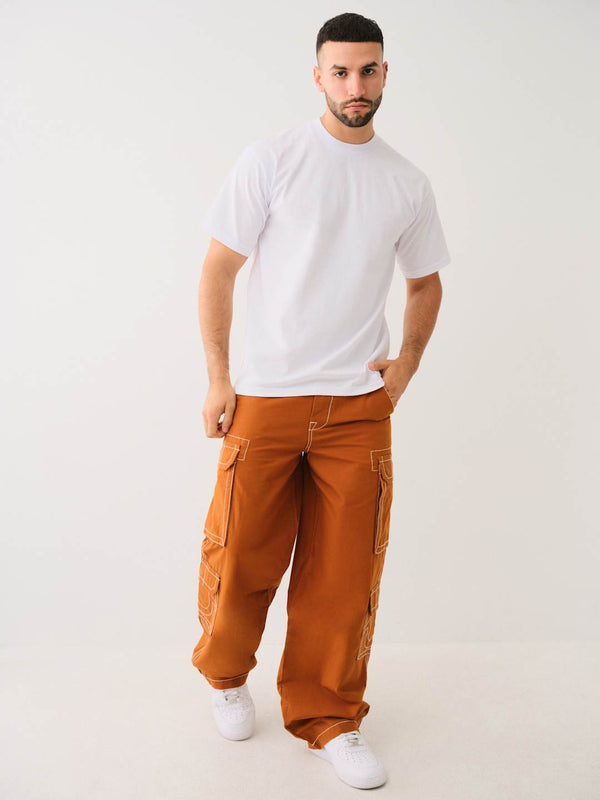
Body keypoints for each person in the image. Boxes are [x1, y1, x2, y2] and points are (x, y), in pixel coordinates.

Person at [190, 12, 451, 790]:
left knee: (343, 577)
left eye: (368, 70)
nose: (355, 85)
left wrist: (405, 367)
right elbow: (218, 268)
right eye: (341, 72)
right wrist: (218, 377)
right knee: (241, 555)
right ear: (318, 77)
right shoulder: (273, 159)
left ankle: (330, 716)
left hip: (357, 406)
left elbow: (426, 282)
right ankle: (225, 676)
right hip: (266, 396)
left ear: (384, 74)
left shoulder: (405, 182)